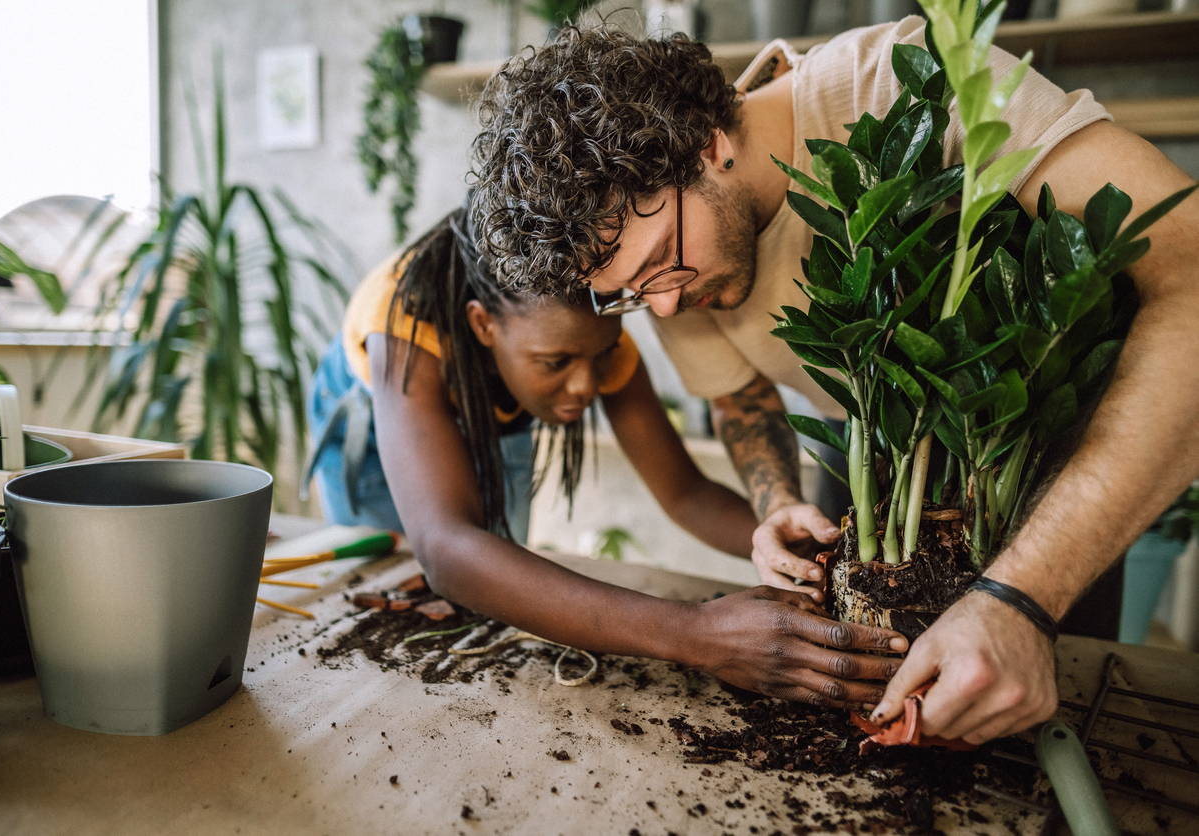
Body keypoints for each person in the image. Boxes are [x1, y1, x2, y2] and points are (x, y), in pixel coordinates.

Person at [466, 17, 1199, 745]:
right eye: (627, 293)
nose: (659, 306)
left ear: (708, 145)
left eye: (659, 264)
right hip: (872, 472)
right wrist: (775, 502)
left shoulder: (900, 84)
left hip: (1044, 480)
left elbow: (1189, 277)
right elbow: (739, 394)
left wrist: (1021, 599)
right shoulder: (666, 252)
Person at [306, 204, 911, 704]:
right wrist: (695, 633)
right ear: (483, 325)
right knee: (393, 602)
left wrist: (794, 549)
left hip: (496, 404)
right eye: (556, 364)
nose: (586, 387)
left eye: (599, 356)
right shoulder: (405, 323)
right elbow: (447, 549)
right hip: (375, 418)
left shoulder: (587, 342)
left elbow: (685, 493)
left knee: (490, 595)